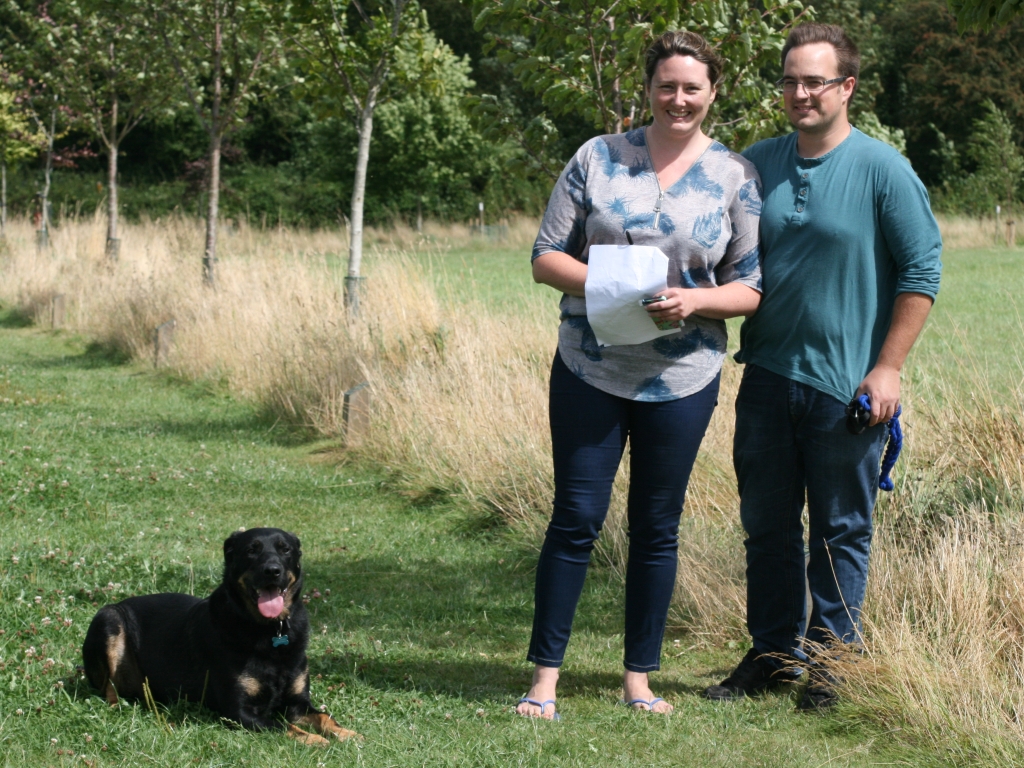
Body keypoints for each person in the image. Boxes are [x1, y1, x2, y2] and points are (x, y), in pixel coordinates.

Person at [519, 30, 764, 719]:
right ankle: (544, 680)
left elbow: (749, 287)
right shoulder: (597, 158)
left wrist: (696, 300)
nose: (678, 98)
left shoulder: (736, 177)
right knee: (576, 517)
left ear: (713, 92)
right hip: (588, 369)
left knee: (657, 525)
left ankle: (639, 680)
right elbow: (545, 256)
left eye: (692, 87)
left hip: (683, 379)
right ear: (648, 88)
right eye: (666, 85)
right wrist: (613, 282)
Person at [704, 23, 942, 710]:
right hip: (768, 377)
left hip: (849, 390)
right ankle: (774, 655)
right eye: (790, 80)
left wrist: (889, 367)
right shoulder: (755, 166)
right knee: (768, 528)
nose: (800, 92)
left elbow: (922, 271)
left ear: (847, 87)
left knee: (841, 531)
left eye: (815, 81)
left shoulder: (883, 169)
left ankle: (835, 665)